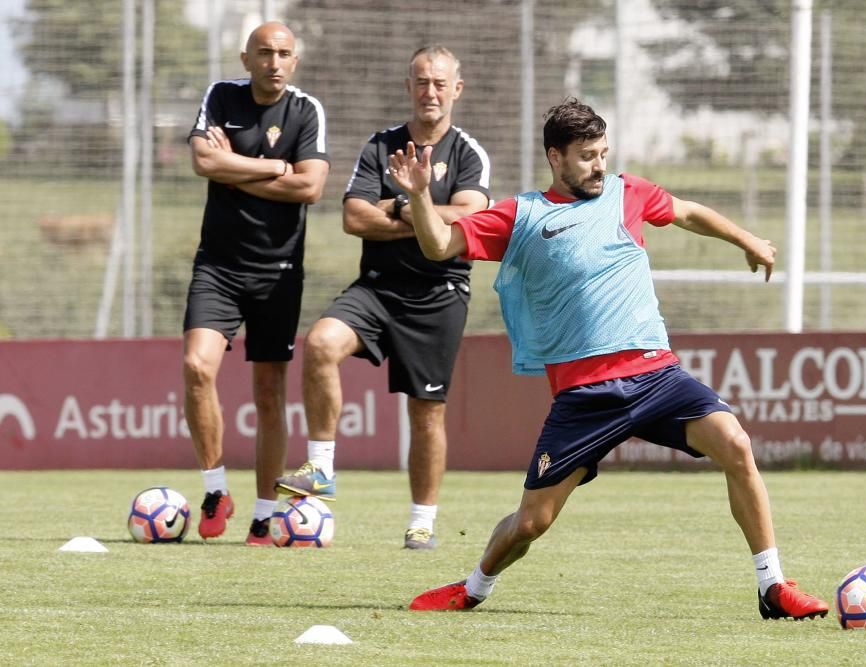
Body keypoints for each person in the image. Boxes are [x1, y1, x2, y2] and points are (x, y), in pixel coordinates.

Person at [389, 98, 829, 619]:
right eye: (586, 156)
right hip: (585, 397)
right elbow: (439, 245)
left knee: (735, 443)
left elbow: (687, 212)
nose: (599, 165)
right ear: (555, 157)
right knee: (532, 523)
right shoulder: (523, 215)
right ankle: (475, 587)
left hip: (656, 375)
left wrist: (748, 240)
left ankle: (771, 587)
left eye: (603, 153)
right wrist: (419, 196)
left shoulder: (628, 192)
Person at [274, 46, 491, 550]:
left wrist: (396, 206)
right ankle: (322, 468)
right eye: (420, 82)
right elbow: (353, 217)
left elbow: (471, 219)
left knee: (426, 412)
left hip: (440, 293)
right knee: (322, 343)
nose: (429, 92)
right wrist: (420, 211)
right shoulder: (381, 146)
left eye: (439, 83)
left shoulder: (468, 153)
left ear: (457, 89)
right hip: (376, 286)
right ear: (408, 86)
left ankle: (421, 521)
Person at [183, 22, 330, 545]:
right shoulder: (221, 96)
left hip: (278, 271)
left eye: (283, 53)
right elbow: (202, 160)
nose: (274, 61)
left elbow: (311, 186)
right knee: (197, 367)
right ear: (246, 58)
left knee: (269, 392)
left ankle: (265, 516)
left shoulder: (306, 110)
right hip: (218, 266)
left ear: (294, 61)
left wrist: (233, 167)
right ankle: (215, 489)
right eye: (264, 52)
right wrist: (272, 167)